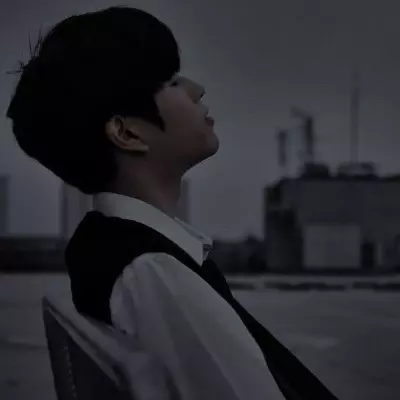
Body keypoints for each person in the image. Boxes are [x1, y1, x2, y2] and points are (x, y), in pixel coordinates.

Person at [6, 7, 338, 400]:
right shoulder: (155, 273)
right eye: (172, 82)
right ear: (127, 133)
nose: (198, 89)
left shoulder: (108, 246)